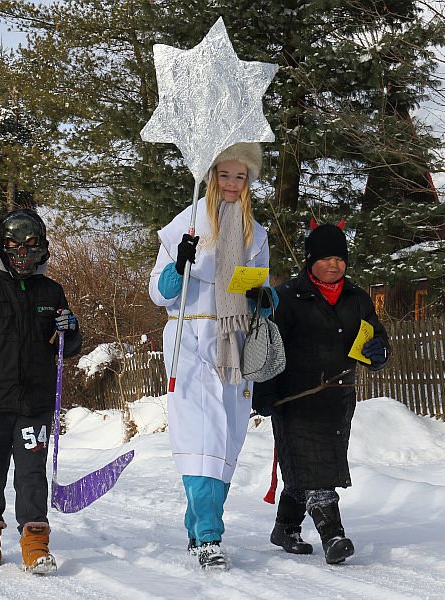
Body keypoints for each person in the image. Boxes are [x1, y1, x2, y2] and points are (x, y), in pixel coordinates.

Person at [148, 142, 275, 570]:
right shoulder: (184, 224)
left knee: (226, 438)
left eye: (241, 177)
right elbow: (158, 292)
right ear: (212, 175)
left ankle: (196, 520)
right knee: (199, 437)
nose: (233, 185)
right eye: (226, 175)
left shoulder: (255, 234)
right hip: (188, 336)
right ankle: (208, 534)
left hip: (234, 338)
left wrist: (262, 295)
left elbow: (262, 293)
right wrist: (177, 267)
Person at [0, 208, 81, 575]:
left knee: (31, 471)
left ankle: (35, 538)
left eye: (30, 245)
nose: (22, 252)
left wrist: (71, 330)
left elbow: (66, 347)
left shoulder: (51, 292)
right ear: (1, 248)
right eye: (13, 246)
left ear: (41, 248)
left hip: (34, 403)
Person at [252, 220, 390, 565]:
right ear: (310, 260)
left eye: (340, 258)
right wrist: (264, 394)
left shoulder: (358, 298)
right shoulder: (286, 298)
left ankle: (285, 528)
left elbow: (376, 337)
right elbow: (269, 348)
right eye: (326, 258)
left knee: (310, 467)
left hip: (338, 400)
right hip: (295, 399)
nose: (334, 265)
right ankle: (333, 536)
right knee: (316, 471)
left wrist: (378, 352)